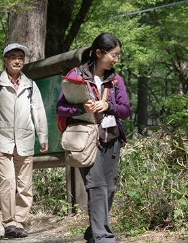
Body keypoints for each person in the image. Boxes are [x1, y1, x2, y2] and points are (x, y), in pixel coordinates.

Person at [56, 33, 131, 243]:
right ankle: (104, 237)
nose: (116, 59)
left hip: (111, 138)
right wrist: (81, 107)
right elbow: (60, 107)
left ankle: (94, 231)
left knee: (110, 187)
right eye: (113, 55)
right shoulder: (76, 75)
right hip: (86, 140)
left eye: (118, 55)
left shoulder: (116, 80)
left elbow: (125, 111)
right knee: (96, 186)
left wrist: (109, 106)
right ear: (99, 53)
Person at [0, 43, 49, 239]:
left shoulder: (30, 85)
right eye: (12, 57)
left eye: (20, 57)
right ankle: (9, 223)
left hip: (25, 140)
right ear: (5, 60)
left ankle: (20, 222)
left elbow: (39, 111)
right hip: (2, 139)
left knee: (25, 185)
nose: (17, 60)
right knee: (8, 181)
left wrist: (42, 136)